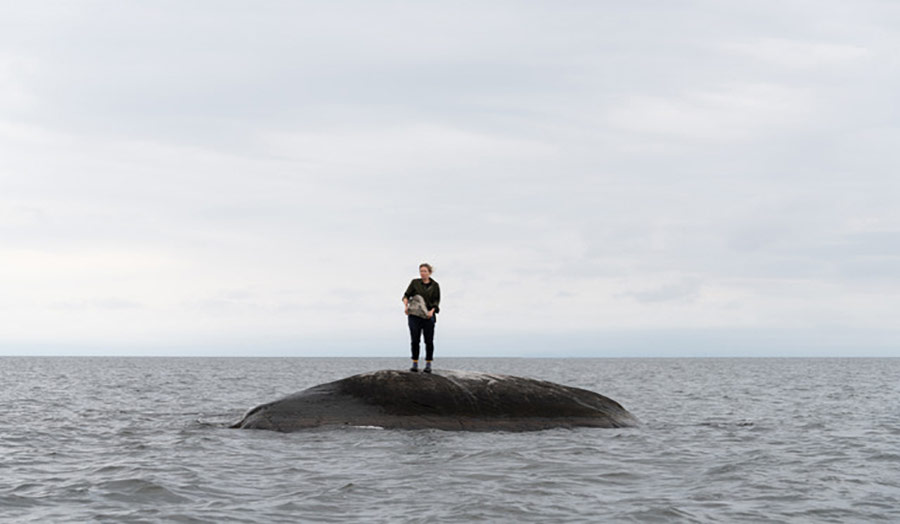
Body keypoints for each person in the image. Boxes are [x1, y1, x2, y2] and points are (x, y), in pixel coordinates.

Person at [402, 262, 440, 373]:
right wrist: (405, 306)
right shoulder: (415, 283)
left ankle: (428, 364)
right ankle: (415, 363)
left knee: (429, 341)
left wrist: (431, 312)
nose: (422, 273)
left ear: (430, 272)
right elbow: (406, 295)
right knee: (415, 340)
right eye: (421, 271)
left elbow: (436, 302)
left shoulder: (435, 285)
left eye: (425, 271)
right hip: (414, 315)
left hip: (428, 316)